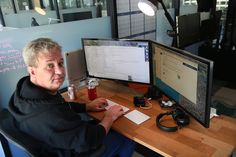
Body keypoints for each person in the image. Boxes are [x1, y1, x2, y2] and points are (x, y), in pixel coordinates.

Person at [8, 38, 135, 157]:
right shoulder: (49, 114)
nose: (60, 71)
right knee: (127, 139)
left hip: (55, 141)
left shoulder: (25, 89)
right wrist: (109, 117)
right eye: (50, 66)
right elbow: (89, 140)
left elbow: (59, 106)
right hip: (73, 151)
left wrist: (86, 106)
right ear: (33, 71)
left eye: (60, 63)